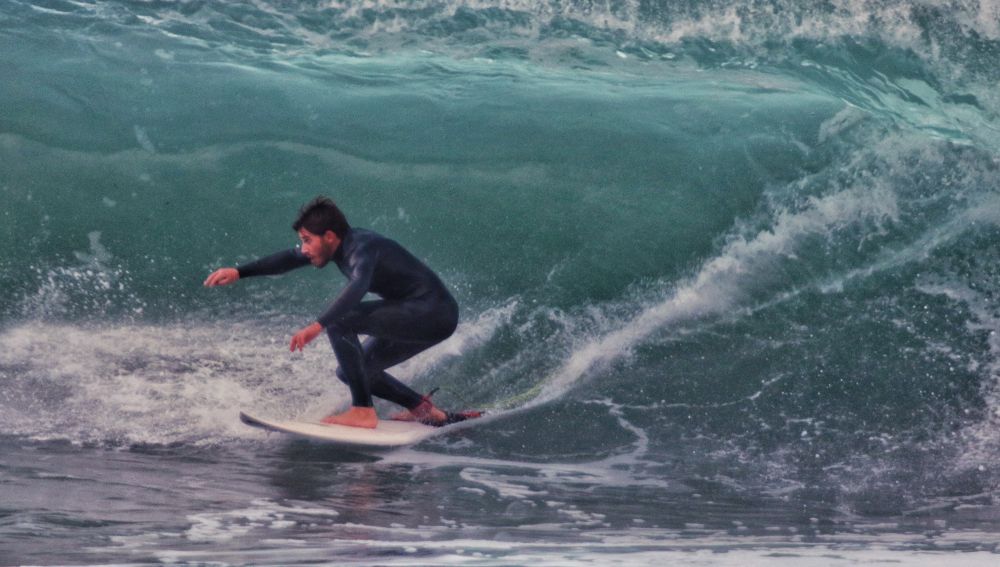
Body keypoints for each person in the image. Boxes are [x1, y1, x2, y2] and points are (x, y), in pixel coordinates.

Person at [204, 196, 469, 429]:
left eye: (307, 240)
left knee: (341, 321)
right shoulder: (340, 245)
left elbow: (359, 286)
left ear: (329, 236)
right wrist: (240, 272)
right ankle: (424, 411)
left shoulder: (362, 249)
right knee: (352, 371)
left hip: (434, 312)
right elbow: (289, 258)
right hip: (421, 315)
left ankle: (363, 411)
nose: (304, 248)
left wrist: (318, 325)